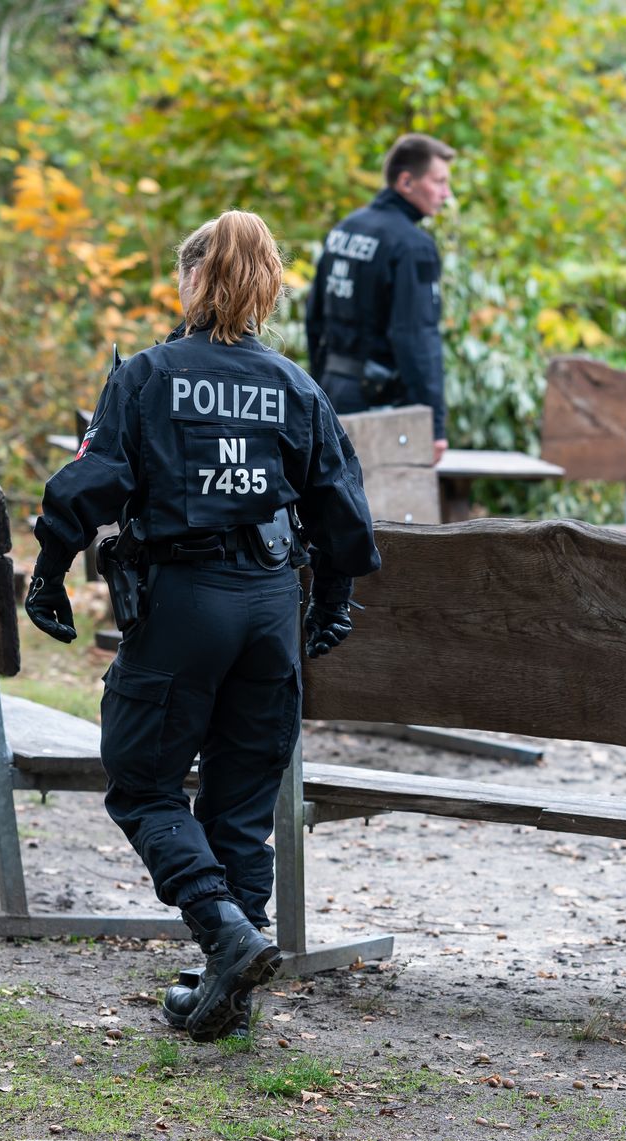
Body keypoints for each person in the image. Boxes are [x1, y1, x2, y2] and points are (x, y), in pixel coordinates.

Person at [27, 209, 380, 1042]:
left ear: (191, 280)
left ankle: (223, 932)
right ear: (268, 287)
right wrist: (330, 604)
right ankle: (229, 986)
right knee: (240, 803)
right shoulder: (297, 387)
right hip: (269, 609)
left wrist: (46, 574)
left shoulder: (147, 376)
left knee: (144, 783)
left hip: (186, 605)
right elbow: (344, 514)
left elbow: (89, 484)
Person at [305, 132, 456, 464]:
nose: (446, 194)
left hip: (331, 390)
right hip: (380, 407)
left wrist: (318, 388)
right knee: (388, 508)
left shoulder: (346, 228)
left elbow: (314, 316)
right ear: (406, 181)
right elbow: (416, 337)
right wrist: (434, 426)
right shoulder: (412, 245)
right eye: (439, 181)